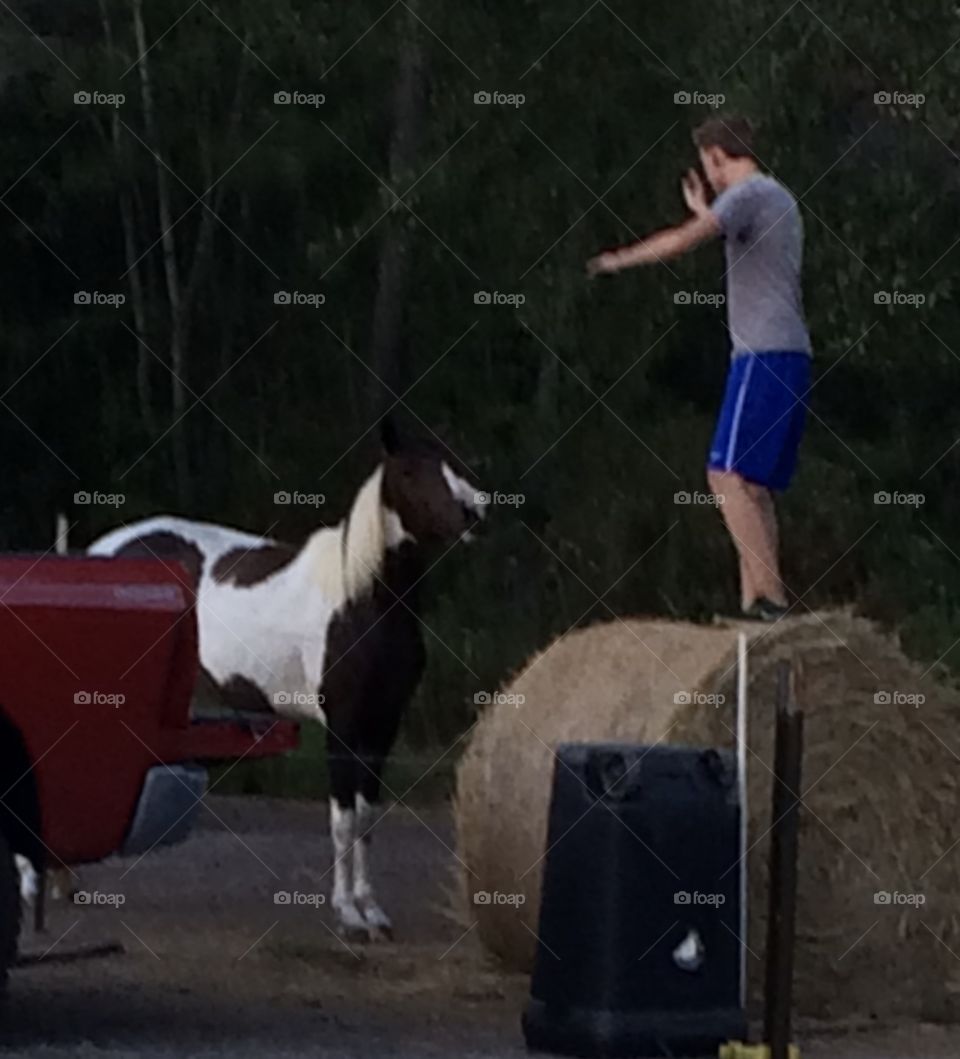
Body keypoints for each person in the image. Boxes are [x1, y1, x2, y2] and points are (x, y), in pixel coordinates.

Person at [586, 115, 811, 621]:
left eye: (706, 163)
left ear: (715, 156)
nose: (706, 173)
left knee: (724, 475)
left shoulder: (750, 192)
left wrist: (620, 260)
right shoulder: (773, 197)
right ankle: (759, 600)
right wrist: (703, 210)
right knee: (752, 485)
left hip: (763, 355)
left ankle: (768, 603)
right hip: (788, 355)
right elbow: (725, 227)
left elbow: (686, 240)